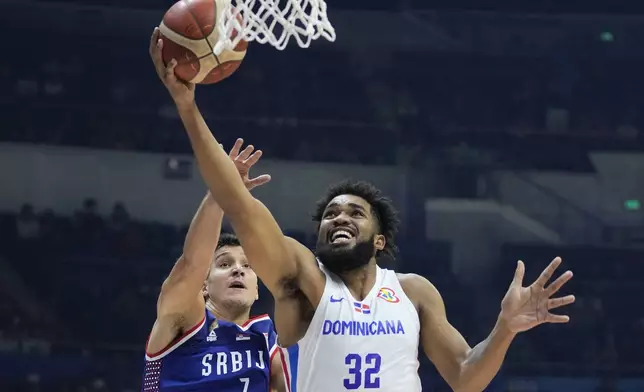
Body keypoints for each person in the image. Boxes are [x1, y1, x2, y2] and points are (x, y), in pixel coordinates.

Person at [149, 28, 576, 392]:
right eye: (331, 215)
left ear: (380, 238)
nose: (339, 218)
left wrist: (505, 329)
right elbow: (238, 205)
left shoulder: (414, 293)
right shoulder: (303, 280)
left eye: (354, 213)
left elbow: (465, 377)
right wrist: (188, 108)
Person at [142, 138, 285, 392]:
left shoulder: (267, 339)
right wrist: (221, 191)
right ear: (204, 285)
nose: (238, 269)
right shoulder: (184, 320)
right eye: (224, 264)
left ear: (257, 290)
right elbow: (191, 267)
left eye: (247, 265)